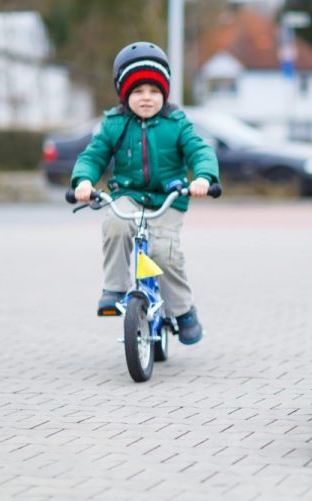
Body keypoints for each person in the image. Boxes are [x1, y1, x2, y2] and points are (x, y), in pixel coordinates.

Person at [70, 41, 219, 345]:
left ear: (165, 93)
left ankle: (183, 311)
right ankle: (113, 288)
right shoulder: (114, 124)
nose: (146, 98)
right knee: (115, 225)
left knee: (164, 252)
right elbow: (93, 156)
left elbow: (200, 151)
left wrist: (203, 177)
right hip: (128, 195)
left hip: (169, 197)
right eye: (138, 91)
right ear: (125, 94)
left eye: (154, 91)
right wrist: (83, 182)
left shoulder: (176, 124)